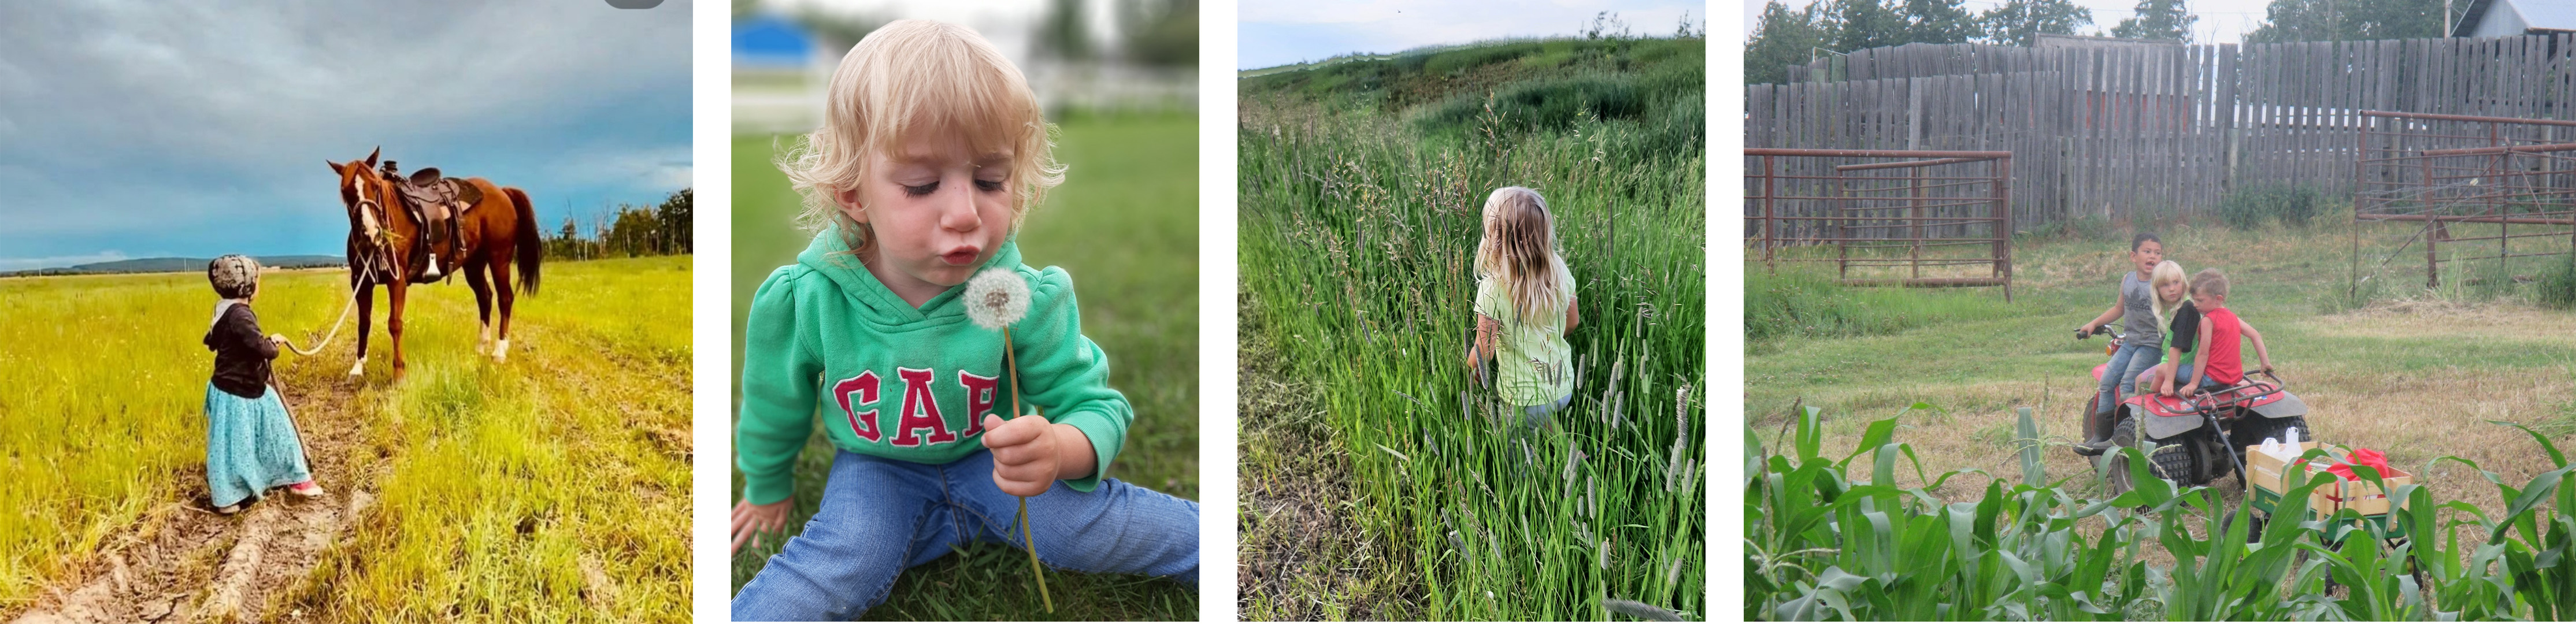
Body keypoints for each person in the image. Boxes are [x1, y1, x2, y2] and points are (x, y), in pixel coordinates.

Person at [727, 20, 1197, 621]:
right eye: (922, 185)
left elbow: (1097, 407)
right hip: (878, 469)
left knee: (1072, 530)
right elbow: (773, 406)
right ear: (851, 192)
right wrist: (767, 486)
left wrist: (1060, 447)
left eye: (989, 180)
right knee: (852, 550)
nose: (965, 213)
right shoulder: (807, 299)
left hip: (995, 468)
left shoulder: (1025, 298)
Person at [202, 255, 324, 514]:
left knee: (229, 445)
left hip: (227, 388)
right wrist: (273, 344)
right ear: (247, 286)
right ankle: (296, 479)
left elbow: (218, 341)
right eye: (257, 281)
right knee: (280, 429)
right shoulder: (241, 315)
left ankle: (227, 497)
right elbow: (262, 349)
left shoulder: (223, 309)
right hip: (244, 390)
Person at [1463, 186, 1580, 429]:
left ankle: (1526, 470)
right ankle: (1575, 460)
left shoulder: (1492, 288)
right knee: (1546, 421)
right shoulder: (1559, 272)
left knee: (1516, 455)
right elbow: (1572, 322)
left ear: (1494, 241)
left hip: (1522, 398)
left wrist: (1470, 368)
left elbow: (1484, 350)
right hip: (1563, 385)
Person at [2075, 233, 2166, 445]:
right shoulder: (2128, 279)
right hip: (2131, 342)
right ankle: (2102, 437)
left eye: (2158, 253)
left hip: (2153, 345)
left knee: (2128, 384)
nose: (2152, 256)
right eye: (2147, 251)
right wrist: (2094, 324)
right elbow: (2119, 309)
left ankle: (2131, 436)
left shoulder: (2162, 283)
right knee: (2107, 382)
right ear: (2133, 256)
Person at [2173, 268, 2273, 398]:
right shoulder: (2232, 317)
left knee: (2173, 369)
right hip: (2234, 378)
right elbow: (2255, 335)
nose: (2195, 305)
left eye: (2200, 300)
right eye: (2194, 300)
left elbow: (2203, 354)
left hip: (2211, 380)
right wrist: (2265, 363)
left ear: (2218, 299)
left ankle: (2178, 395)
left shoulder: (2208, 321)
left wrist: (2194, 383)